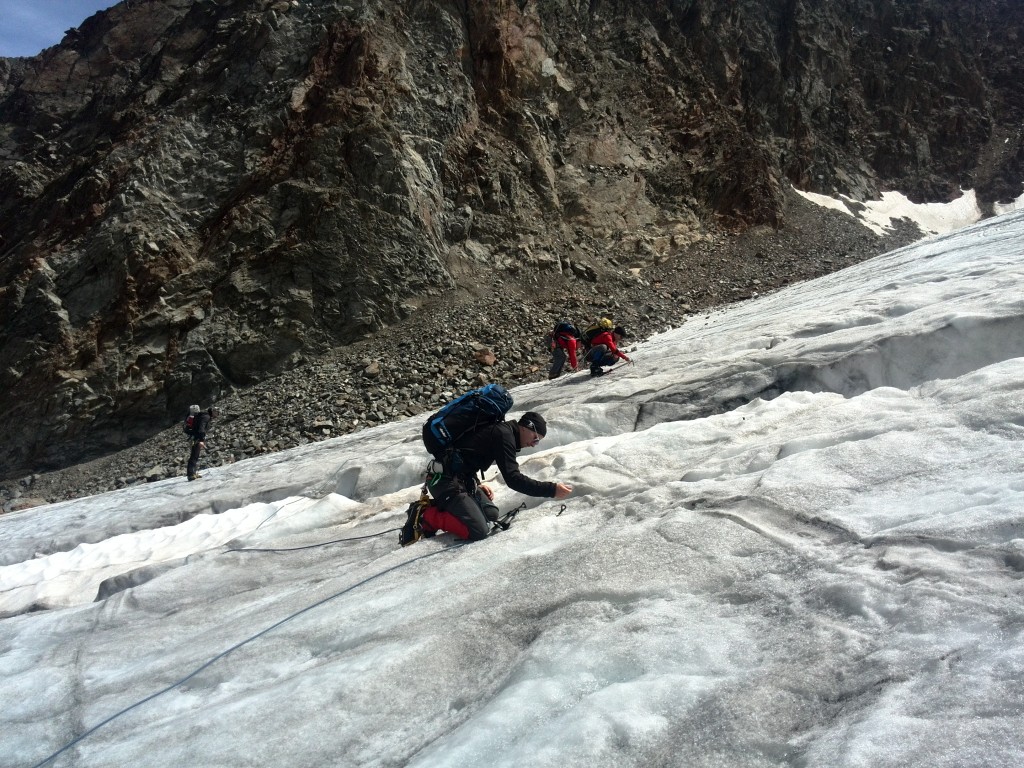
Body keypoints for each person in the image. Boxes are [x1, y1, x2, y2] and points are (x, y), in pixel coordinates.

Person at [412, 412, 573, 541]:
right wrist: (552, 490)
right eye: (535, 439)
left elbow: (466, 455)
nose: (533, 444)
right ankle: (428, 517)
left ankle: (449, 506)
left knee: (491, 515)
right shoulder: (504, 435)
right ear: (526, 427)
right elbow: (513, 479)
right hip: (444, 481)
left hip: (461, 479)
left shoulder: (504, 432)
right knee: (478, 531)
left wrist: (476, 483)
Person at [187, 407, 217, 481]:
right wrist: (201, 440)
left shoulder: (204, 416)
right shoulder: (206, 417)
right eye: (216, 412)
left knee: (195, 455)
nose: (217, 413)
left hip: (195, 437)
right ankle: (190, 475)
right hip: (197, 438)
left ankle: (193, 473)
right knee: (194, 456)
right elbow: (201, 429)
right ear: (212, 412)